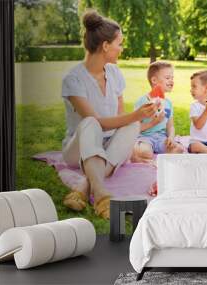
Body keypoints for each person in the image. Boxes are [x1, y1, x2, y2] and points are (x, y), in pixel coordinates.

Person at [61, 10, 158, 219]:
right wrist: (136, 115)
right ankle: (101, 193)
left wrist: (132, 136)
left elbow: (121, 119)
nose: (121, 49)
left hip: (108, 144)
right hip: (78, 148)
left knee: (131, 126)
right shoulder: (73, 80)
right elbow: (99, 124)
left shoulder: (114, 73)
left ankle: (84, 186)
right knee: (89, 123)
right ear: (105, 46)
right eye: (119, 43)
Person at [131, 61, 184, 163]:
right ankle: (140, 154)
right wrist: (153, 123)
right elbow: (135, 128)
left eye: (172, 78)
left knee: (179, 149)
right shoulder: (143, 101)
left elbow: (170, 126)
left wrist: (171, 138)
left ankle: (154, 160)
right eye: (168, 78)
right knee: (145, 152)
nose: (171, 81)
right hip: (145, 137)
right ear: (154, 80)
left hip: (161, 138)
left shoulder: (168, 103)